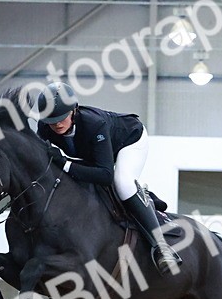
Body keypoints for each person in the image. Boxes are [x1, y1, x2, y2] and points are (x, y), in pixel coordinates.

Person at [35, 81, 182, 274]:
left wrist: (65, 164)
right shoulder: (45, 128)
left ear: (74, 110)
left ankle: (161, 246)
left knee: (122, 182)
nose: (56, 124)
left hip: (129, 140)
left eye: (61, 117)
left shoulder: (94, 124)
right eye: (50, 119)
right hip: (91, 154)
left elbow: (105, 175)